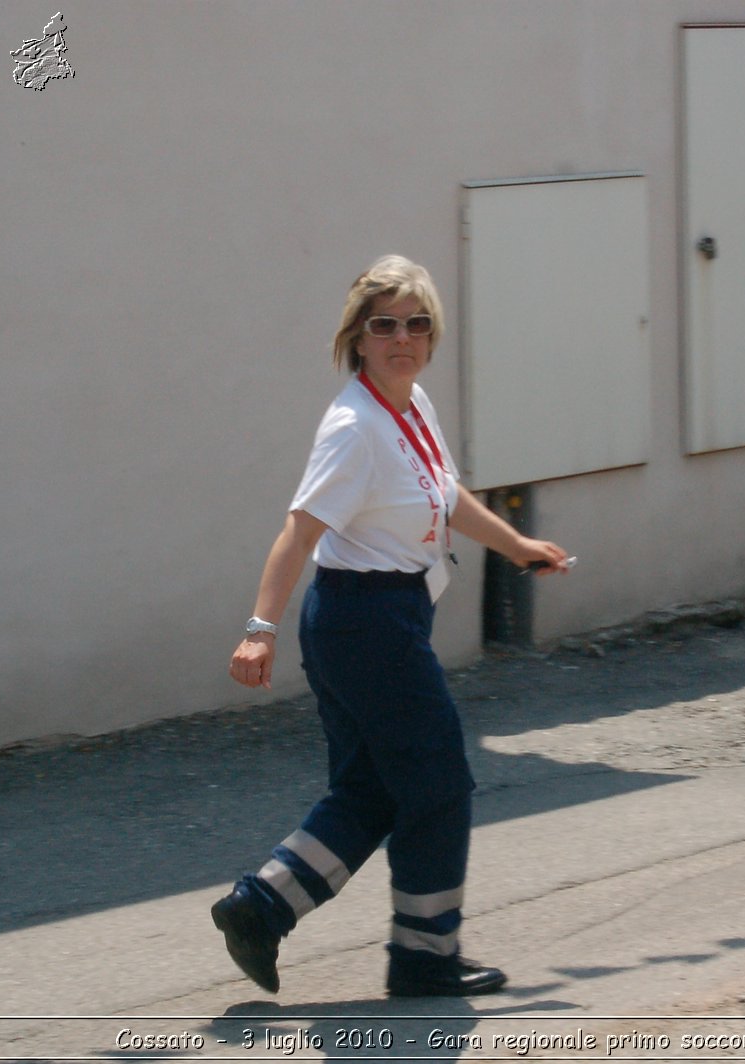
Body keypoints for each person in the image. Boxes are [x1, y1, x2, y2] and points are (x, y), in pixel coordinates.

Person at [212, 254, 572, 998]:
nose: (401, 336)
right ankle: (424, 957)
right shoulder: (355, 425)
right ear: (359, 336)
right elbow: (298, 532)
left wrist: (516, 545)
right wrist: (258, 628)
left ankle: (261, 906)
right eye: (385, 325)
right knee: (439, 785)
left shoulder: (408, 405)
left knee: (375, 790)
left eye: (416, 323)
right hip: (362, 623)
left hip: (381, 620)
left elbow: (445, 493)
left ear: (431, 335)